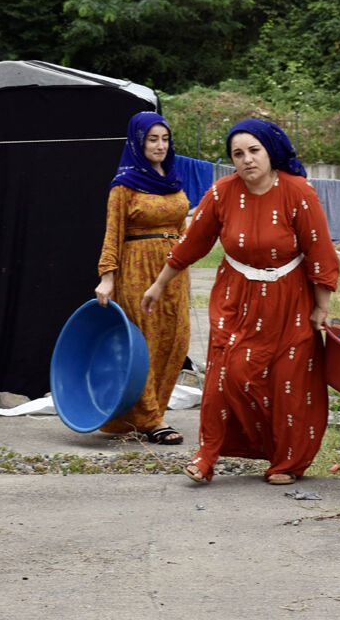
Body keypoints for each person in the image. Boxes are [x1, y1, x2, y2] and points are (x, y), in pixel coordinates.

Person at [142, 119, 340, 485]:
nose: (247, 159)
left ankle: (286, 462)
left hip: (291, 300)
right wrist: (159, 284)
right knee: (226, 375)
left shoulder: (299, 192)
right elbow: (192, 242)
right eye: (238, 154)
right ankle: (206, 456)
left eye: (254, 150)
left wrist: (321, 306)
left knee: (289, 382)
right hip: (236, 298)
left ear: (270, 152)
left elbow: (319, 250)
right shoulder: (222, 193)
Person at [95, 112, 190, 445]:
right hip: (137, 268)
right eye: (152, 139)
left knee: (176, 340)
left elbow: (181, 227)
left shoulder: (173, 179)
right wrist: (107, 277)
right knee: (144, 342)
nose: (160, 145)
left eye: (165, 139)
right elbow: (112, 233)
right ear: (138, 142)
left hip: (174, 271)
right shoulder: (124, 184)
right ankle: (152, 419)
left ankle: (151, 412)